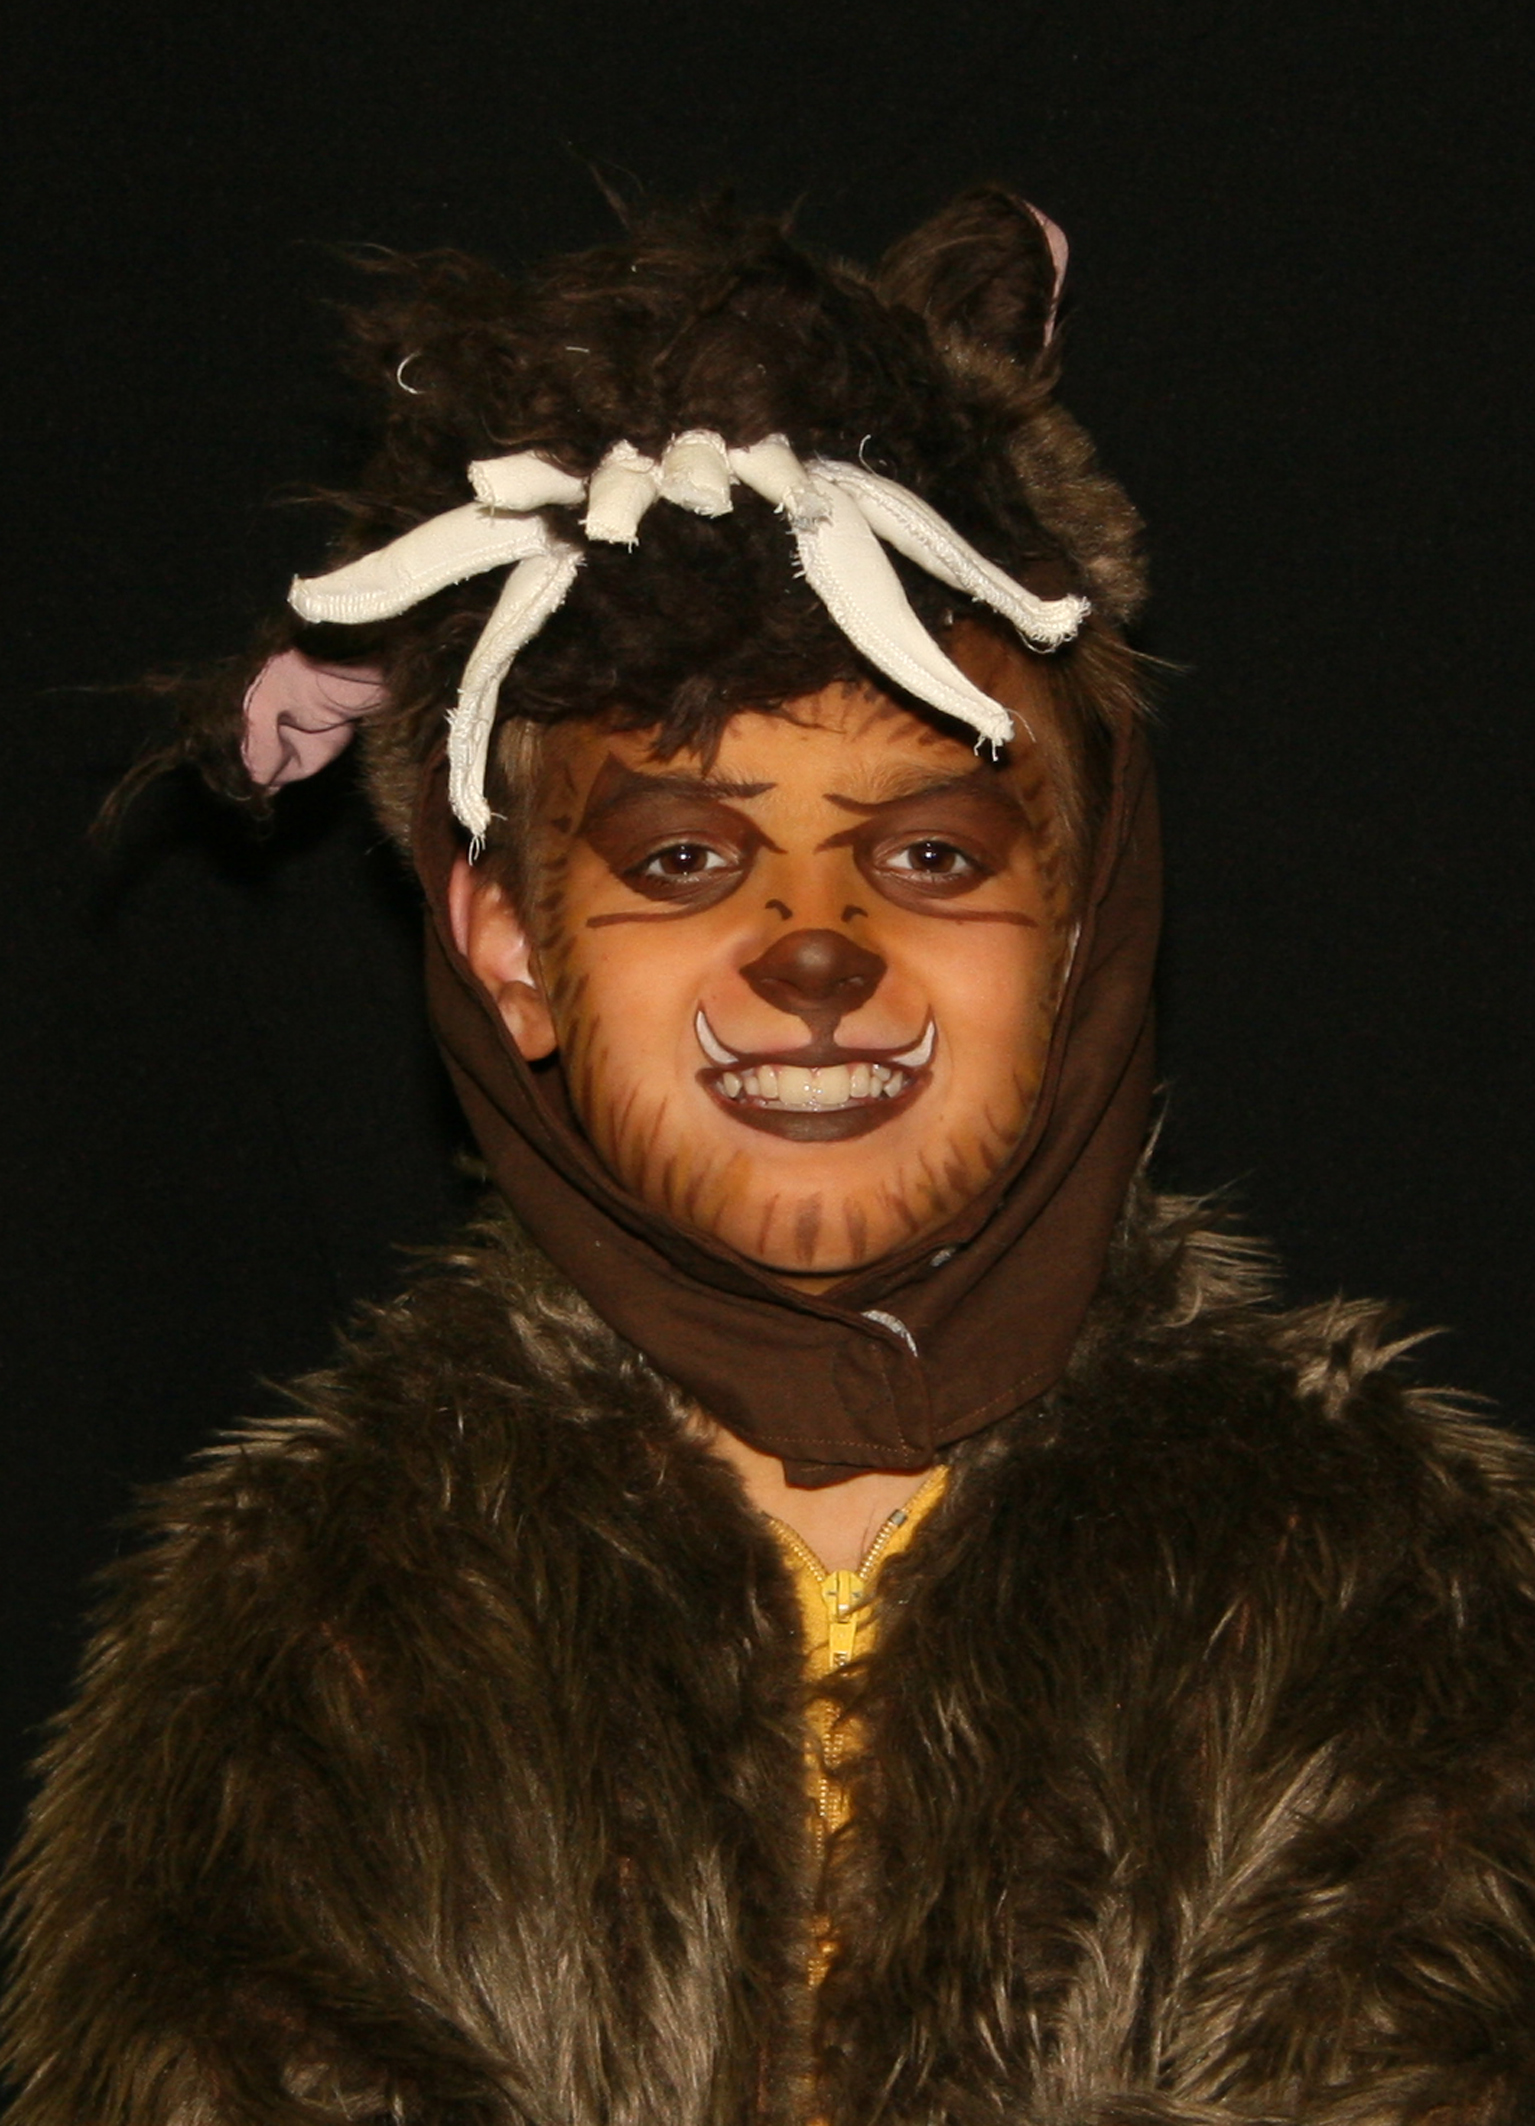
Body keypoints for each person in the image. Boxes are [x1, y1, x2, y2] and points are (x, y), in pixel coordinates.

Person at [6, 188, 1535, 2125]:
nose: (815, 953)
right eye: (682, 857)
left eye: (931, 854)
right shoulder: (315, 1645)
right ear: (510, 946)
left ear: (1083, 927)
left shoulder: (1390, 1603)